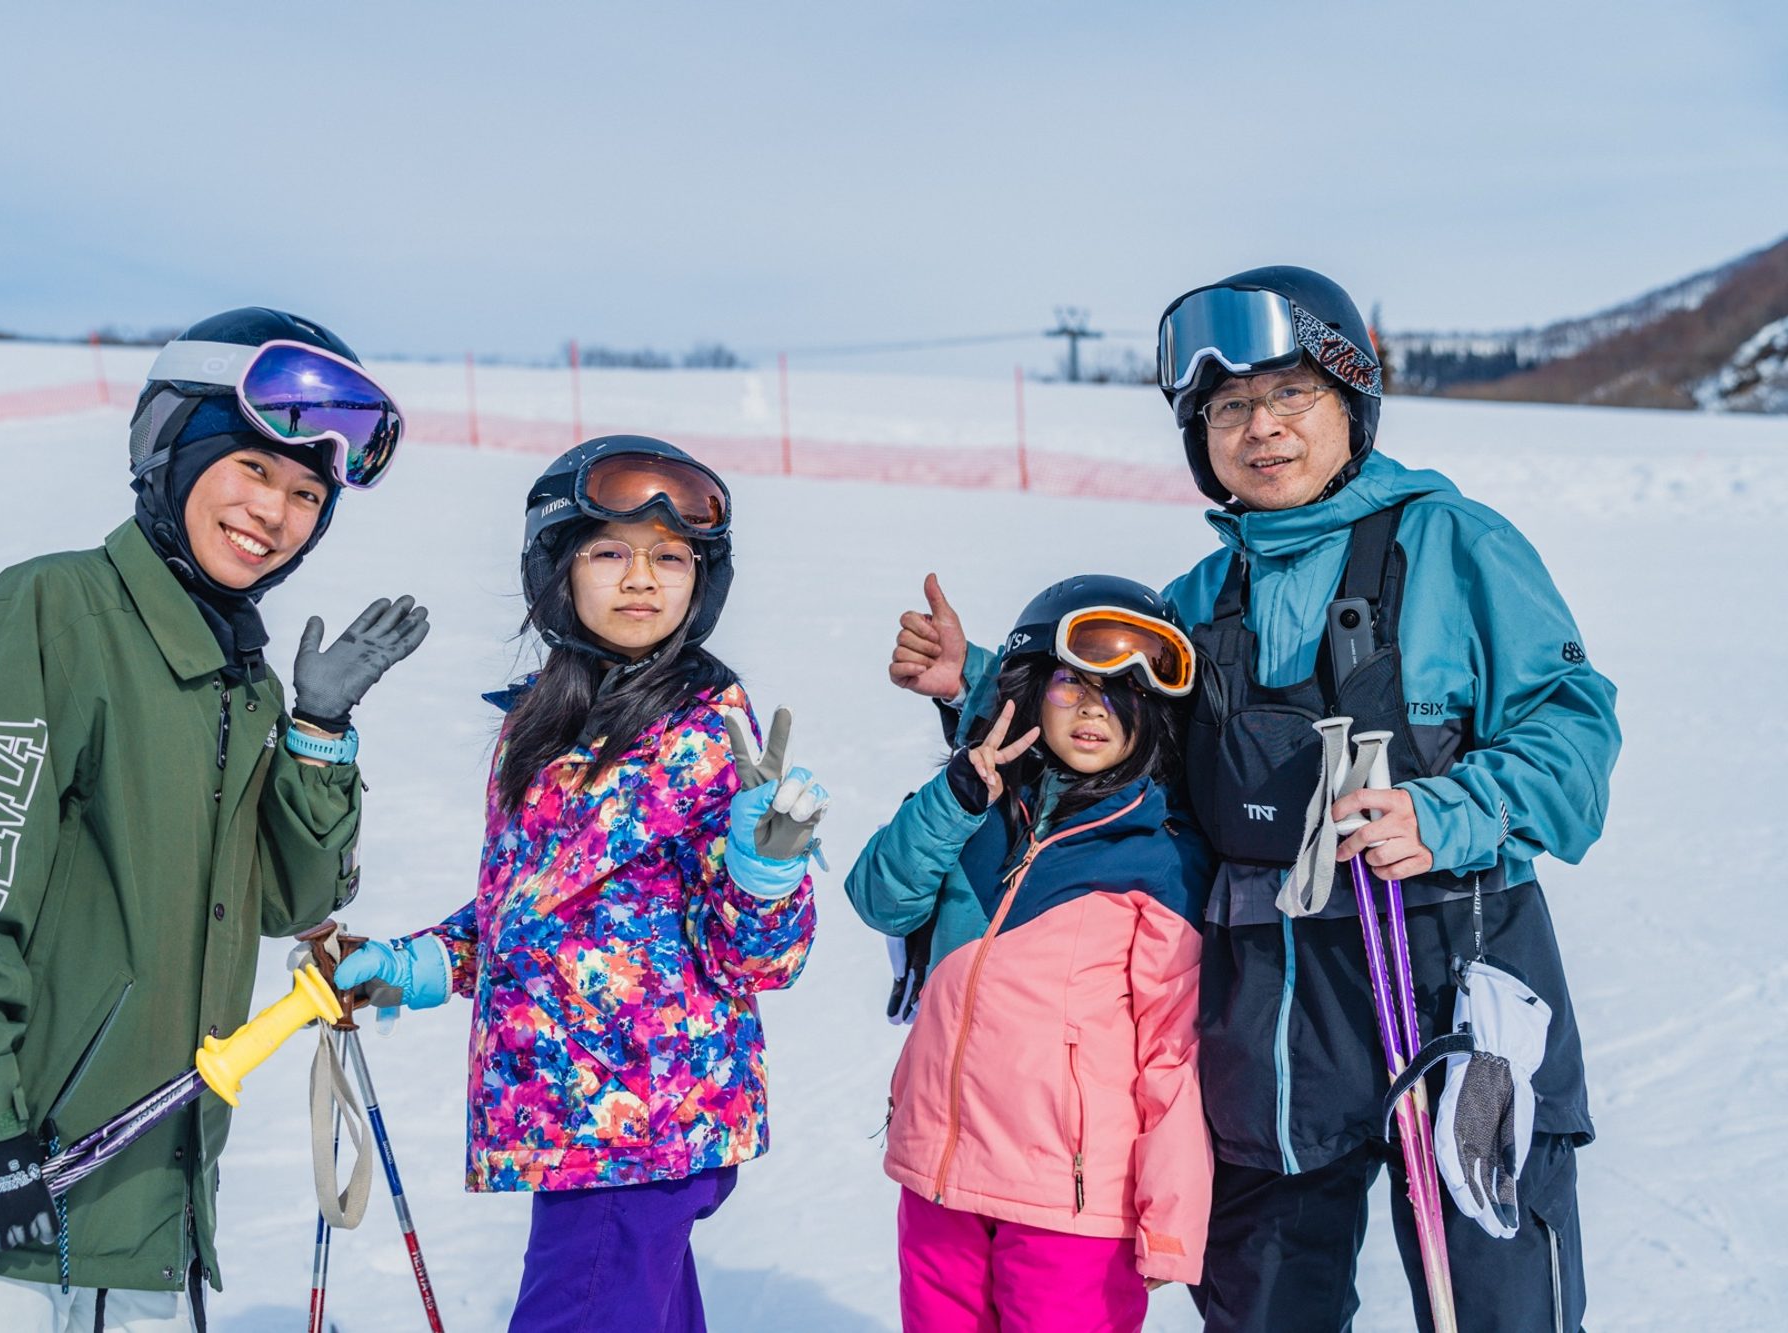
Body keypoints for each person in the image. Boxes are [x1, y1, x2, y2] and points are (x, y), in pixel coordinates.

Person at [888, 267, 1620, 1331]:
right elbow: (1100, 750)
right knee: (1265, 1299)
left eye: (1289, 397)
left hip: (1457, 967)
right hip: (1267, 1001)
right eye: (1226, 407)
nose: (1258, 429)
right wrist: (970, 692)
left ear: (1349, 405)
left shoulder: (1458, 546)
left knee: (1495, 1297)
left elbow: (1573, 738)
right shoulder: (1197, 602)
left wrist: (1447, 810)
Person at [0, 307, 432, 1329]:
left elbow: (290, 897)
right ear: (169, 450)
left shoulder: (237, 679)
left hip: (145, 1223)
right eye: (249, 470)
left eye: (305, 493)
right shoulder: (53, 615)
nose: (274, 514)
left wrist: (318, 731)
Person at [333, 436, 823, 1333]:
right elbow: (535, 914)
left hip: (639, 1130)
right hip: (578, 1124)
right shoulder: (546, 729)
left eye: (669, 557)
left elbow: (759, 959)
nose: (642, 578)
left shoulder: (712, 733)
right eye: (610, 552)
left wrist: (766, 872)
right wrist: (420, 964)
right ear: (558, 572)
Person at [847, 576, 1215, 1332]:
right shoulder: (978, 811)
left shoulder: (1160, 858)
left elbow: (1171, 1056)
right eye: (1072, 684)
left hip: (1070, 1209)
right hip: (940, 1182)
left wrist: (1170, 1220)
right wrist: (953, 801)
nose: (1091, 709)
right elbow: (881, 898)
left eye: (1120, 695)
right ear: (1032, 689)